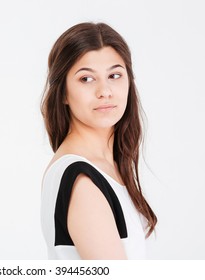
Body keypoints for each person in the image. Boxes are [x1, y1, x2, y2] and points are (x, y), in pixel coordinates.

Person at [40, 22, 157, 260]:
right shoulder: (82, 179)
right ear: (63, 92)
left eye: (115, 75)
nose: (105, 91)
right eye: (86, 79)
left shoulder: (104, 168)